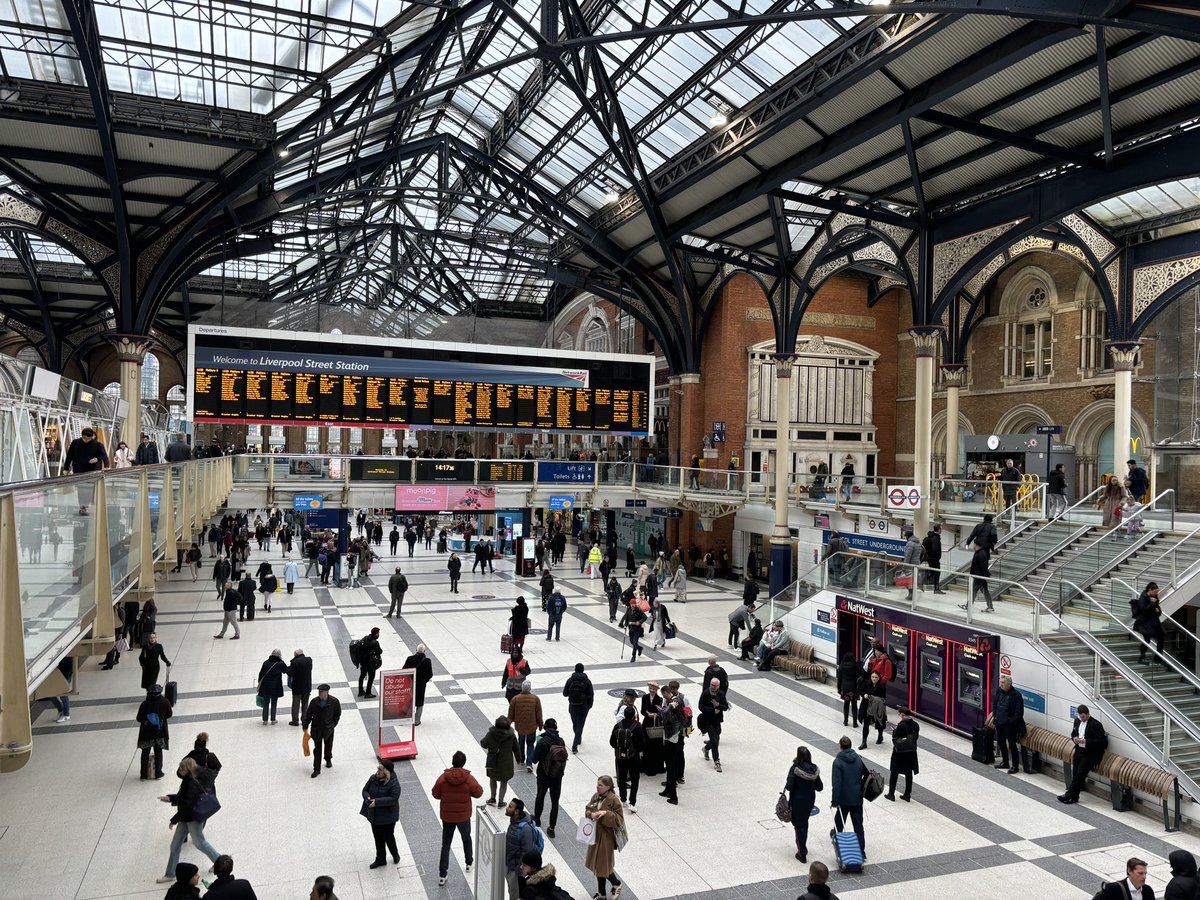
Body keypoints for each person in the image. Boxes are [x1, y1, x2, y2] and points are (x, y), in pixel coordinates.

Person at [157, 758, 221, 883]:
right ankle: (170, 874)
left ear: (188, 769)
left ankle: (220, 862)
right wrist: (170, 798)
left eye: (182, 769)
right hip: (187, 817)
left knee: (200, 843)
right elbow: (183, 797)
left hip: (192, 818)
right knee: (175, 845)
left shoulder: (191, 783)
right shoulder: (189, 780)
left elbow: (187, 804)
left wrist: (174, 820)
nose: (180, 771)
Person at [432, 749, 482, 885]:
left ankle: (442, 875)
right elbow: (479, 793)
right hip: (463, 816)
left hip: (447, 816)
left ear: (452, 762)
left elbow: (435, 794)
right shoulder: (468, 778)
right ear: (464, 763)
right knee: (466, 838)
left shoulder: (443, 778)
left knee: (446, 844)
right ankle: (469, 863)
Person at [584, 775, 625, 900]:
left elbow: (619, 820)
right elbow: (587, 809)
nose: (597, 787)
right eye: (597, 785)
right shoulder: (596, 796)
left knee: (603, 865)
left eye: (600, 785)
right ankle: (602, 893)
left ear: (608, 787)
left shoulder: (614, 800)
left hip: (606, 837)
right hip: (595, 835)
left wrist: (605, 814)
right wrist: (591, 814)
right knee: (598, 865)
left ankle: (616, 884)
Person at [1059, 705, 1108, 804]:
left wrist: (1086, 741)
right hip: (1079, 751)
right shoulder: (1077, 721)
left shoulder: (1096, 724)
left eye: (1083, 717)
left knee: (1080, 774)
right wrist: (1075, 739)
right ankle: (1074, 797)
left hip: (1090, 753)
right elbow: (1073, 733)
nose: (1082, 719)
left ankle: (1068, 794)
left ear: (1088, 714)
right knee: (1076, 773)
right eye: (1080, 717)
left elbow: (1103, 742)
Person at [831, 735, 868, 858]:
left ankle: (837, 842)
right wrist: (859, 787)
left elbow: (836, 784)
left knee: (839, 821)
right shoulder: (858, 758)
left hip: (843, 799)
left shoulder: (838, 762)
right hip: (857, 798)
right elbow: (866, 773)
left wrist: (835, 801)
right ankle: (861, 851)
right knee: (858, 824)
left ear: (840, 746)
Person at [785, 746, 823, 863]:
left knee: (798, 825)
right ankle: (802, 847)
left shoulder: (794, 769)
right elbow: (819, 787)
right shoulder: (814, 769)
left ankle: (802, 852)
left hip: (797, 801)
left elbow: (789, 786)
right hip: (809, 801)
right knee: (804, 823)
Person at [531, 718, 568, 838]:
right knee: (555, 802)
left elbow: (534, 759)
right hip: (557, 776)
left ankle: (537, 819)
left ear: (546, 727)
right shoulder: (561, 741)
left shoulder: (542, 741)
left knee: (540, 796)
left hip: (543, 774)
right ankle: (552, 828)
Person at [362, 760, 402, 868]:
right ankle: (380, 859)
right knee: (378, 838)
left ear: (386, 772)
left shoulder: (394, 783)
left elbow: (393, 799)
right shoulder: (373, 778)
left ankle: (395, 854)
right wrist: (368, 798)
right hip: (374, 815)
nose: (377, 771)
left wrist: (376, 802)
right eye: (378, 768)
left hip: (388, 817)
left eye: (380, 769)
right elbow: (365, 790)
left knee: (388, 837)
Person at [63, 427, 108, 513]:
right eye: (84, 438)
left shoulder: (97, 444)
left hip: (92, 470)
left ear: (92, 437)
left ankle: (86, 505)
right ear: (82, 436)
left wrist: (97, 459)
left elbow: (103, 455)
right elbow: (69, 456)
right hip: (79, 470)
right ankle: (82, 506)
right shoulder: (75, 443)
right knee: (81, 488)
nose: (86, 440)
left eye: (88, 438)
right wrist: (66, 468)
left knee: (89, 488)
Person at [610, 705, 645, 814]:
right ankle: (632, 802)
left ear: (624, 715)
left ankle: (623, 800)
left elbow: (612, 742)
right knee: (635, 779)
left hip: (620, 757)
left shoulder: (618, 726)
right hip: (633, 757)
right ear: (634, 715)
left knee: (622, 778)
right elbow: (642, 744)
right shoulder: (637, 726)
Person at [302, 684, 342, 777]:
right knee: (317, 749)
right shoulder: (314, 702)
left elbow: (337, 714)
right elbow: (308, 714)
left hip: (328, 729)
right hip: (317, 729)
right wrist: (305, 725)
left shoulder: (334, 702)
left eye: (322, 692)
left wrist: (333, 725)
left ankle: (328, 759)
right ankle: (316, 769)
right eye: (319, 691)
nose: (320, 693)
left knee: (328, 746)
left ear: (327, 692)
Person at [481, 715, 521, 807]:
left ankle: (492, 798)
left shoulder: (491, 734)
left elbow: (484, 743)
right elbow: (516, 747)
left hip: (493, 761)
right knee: (504, 781)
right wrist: (518, 758)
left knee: (492, 778)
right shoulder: (511, 735)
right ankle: (501, 801)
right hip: (506, 763)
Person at [504, 798, 539, 900]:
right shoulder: (514, 821)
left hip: (516, 869)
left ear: (516, 811)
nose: (507, 808)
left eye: (510, 807)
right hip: (510, 863)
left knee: (515, 894)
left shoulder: (525, 829)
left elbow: (527, 852)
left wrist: (519, 871)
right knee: (511, 890)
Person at [137, 683, 173, 779]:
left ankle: (143, 774)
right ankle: (158, 772)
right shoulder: (165, 702)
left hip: (146, 733)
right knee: (158, 751)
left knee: (145, 752)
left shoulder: (144, 704)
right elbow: (169, 714)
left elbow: (139, 718)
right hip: (159, 732)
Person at [991, 675, 1025, 774]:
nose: (1000, 684)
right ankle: (1005, 762)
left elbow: (1019, 713)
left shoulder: (1016, 695)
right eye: (1000, 682)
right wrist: (995, 715)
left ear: (1009, 684)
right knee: (1001, 743)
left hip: (1009, 725)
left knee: (1012, 745)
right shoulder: (999, 691)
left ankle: (1015, 766)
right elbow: (995, 704)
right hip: (999, 722)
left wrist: (1011, 723)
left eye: (1003, 683)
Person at [659, 683, 686, 804]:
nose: (663, 697)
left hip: (673, 737)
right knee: (669, 764)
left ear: (666, 693)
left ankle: (674, 796)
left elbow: (665, 714)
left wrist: (664, 709)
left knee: (671, 765)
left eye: (663, 695)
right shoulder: (674, 701)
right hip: (670, 735)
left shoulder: (675, 702)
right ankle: (668, 789)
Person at [885, 706, 919, 801]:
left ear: (903, 715)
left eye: (899, 714)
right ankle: (907, 794)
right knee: (908, 773)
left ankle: (891, 794)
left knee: (894, 772)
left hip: (900, 753)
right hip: (911, 752)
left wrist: (894, 731)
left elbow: (895, 737)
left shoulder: (901, 725)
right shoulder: (916, 725)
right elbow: (916, 738)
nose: (899, 716)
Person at [508, 682, 544, 770]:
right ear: (530, 688)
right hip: (531, 725)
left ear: (521, 688)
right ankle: (529, 763)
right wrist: (540, 724)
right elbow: (538, 713)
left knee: (521, 742)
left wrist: (508, 724)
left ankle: (521, 758)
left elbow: (510, 713)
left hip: (520, 726)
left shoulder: (515, 699)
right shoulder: (535, 699)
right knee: (530, 744)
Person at [698, 676, 729, 772]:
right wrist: (712, 710)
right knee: (715, 741)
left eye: (715, 686)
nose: (713, 687)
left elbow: (726, 707)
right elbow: (700, 706)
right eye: (712, 685)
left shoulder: (721, 694)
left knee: (716, 739)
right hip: (708, 720)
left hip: (717, 721)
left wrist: (718, 706)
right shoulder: (705, 693)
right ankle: (717, 762)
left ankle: (706, 748)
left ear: (718, 686)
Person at [563, 663, 594, 753]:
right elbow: (591, 695)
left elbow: (565, 693)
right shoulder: (587, 681)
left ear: (575, 669)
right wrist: (589, 705)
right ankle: (575, 745)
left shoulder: (570, 680)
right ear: (583, 670)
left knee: (575, 724)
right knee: (580, 726)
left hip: (572, 706)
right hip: (583, 707)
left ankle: (578, 738)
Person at [958, 540, 995, 612]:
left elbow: (983, 567)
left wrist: (985, 576)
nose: (973, 545)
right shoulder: (978, 553)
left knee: (973, 591)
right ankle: (990, 607)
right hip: (979, 575)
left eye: (974, 543)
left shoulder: (981, 554)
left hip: (979, 576)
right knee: (985, 591)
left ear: (977, 544)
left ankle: (968, 606)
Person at [402, 643, 434, 725]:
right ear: (424, 651)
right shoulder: (427, 661)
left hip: (410, 683)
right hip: (421, 685)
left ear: (416, 650)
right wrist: (424, 681)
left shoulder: (410, 659)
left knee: (408, 699)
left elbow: (404, 670)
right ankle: (417, 720)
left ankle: (402, 717)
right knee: (420, 702)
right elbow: (430, 674)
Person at [1133, 582, 1165, 664]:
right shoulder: (1143, 597)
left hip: (1154, 622)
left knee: (1161, 637)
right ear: (1150, 590)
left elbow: (1158, 610)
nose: (1156, 594)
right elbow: (1143, 610)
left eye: (1157, 592)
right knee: (1147, 639)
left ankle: (1158, 656)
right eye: (1155, 592)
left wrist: (1157, 607)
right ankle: (1142, 657)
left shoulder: (1154, 597)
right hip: (1145, 623)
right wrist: (1152, 604)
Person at [256, 649, 287, 724]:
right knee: (274, 702)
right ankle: (273, 719)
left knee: (266, 703)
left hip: (266, 686)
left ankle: (265, 720)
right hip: (275, 686)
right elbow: (286, 670)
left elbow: (261, 674)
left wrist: (259, 683)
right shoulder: (280, 663)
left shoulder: (266, 663)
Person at [858, 671, 887, 749]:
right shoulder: (866, 684)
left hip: (877, 708)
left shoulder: (881, 687)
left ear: (879, 678)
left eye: (876, 677)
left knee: (879, 722)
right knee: (866, 724)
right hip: (867, 706)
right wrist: (864, 695)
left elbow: (883, 698)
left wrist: (874, 698)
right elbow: (860, 690)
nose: (874, 679)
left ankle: (880, 736)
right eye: (872, 677)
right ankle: (864, 742)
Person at [287, 649, 313, 727]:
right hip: (307, 686)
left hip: (297, 687)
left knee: (296, 704)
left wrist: (287, 668)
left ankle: (295, 720)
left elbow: (290, 673)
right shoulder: (309, 660)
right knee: (305, 704)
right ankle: (304, 720)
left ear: (296, 655)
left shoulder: (294, 662)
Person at [357, 627, 382, 698]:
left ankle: (361, 691)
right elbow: (379, 651)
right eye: (378, 633)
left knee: (362, 676)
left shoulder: (365, 638)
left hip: (363, 661)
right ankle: (368, 693)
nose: (379, 634)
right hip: (370, 663)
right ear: (376, 634)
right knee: (371, 677)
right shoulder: (375, 642)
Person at [836, 652, 860, 727]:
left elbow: (839, 679)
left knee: (846, 704)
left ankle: (845, 721)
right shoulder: (855, 666)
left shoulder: (842, 666)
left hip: (845, 687)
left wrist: (839, 689)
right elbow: (860, 674)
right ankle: (855, 723)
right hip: (854, 687)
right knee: (854, 705)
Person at [922, 524, 945, 594]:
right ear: (938, 530)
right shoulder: (935, 538)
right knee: (937, 573)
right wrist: (936, 557)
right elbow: (935, 549)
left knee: (933, 572)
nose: (942, 530)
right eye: (941, 529)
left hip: (930, 558)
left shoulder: (932, 537)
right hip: (934, 559)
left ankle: (923, 581)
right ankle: (936, 588)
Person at [901, 529, 923, 600]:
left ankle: (911, 594)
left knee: (907, 580)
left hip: (910, 565)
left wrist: (904, 566)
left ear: (907, 536)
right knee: (913, 580)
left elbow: (907, 556)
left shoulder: (910, 543)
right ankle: (912, 594)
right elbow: (922, 553)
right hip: (916, 564)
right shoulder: (918, 543)